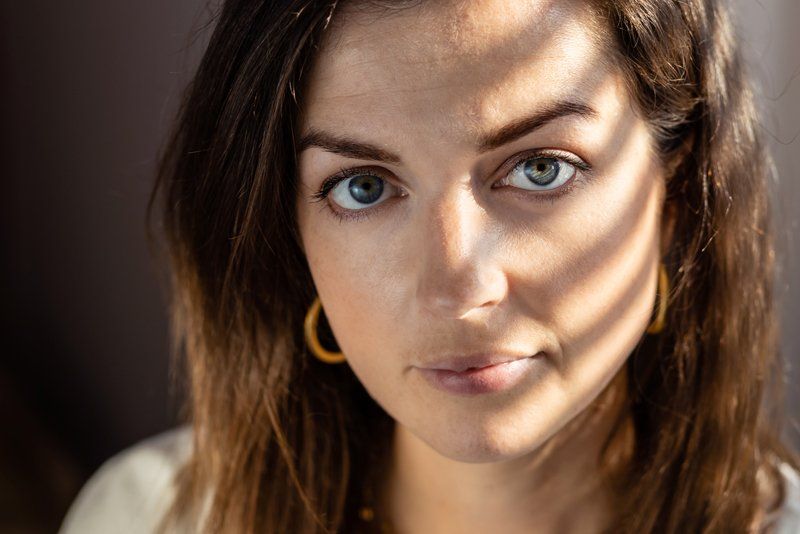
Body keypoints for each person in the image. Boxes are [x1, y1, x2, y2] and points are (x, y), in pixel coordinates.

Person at [60, 0, 800, 532]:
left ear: (678, 201)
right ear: (294, 239)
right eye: (365, 187)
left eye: (541, 168)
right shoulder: (151, 517)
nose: (458, 288)